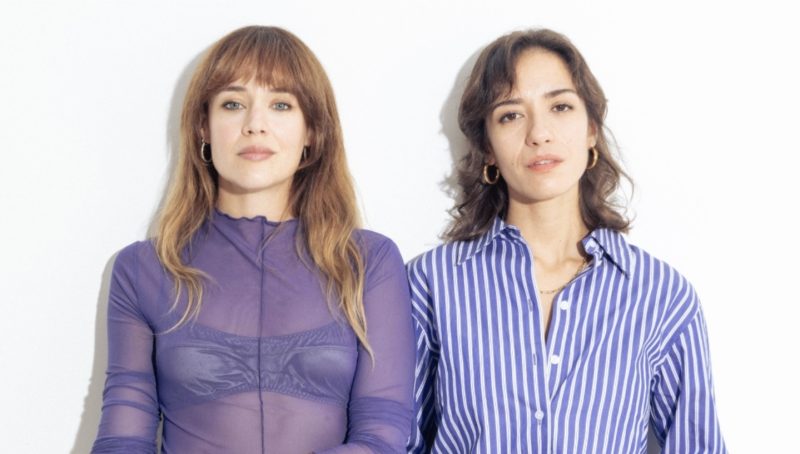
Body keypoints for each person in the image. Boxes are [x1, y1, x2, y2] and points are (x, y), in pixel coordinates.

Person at [91, 26, 414, 454]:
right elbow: (123, 438)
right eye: (233, 104)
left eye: (281, 104)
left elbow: (383, 433)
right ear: (203, 127)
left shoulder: (368, 261)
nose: (255, 125)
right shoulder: (144, 269)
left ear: (312, 132)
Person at [407, 29, 726, 453]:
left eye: (560, 107)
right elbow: (398, 440)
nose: (539, 133)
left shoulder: (662, 295)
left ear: (592, 129)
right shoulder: (431, 283)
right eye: (510, 115)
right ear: (487, 147)